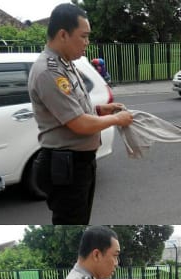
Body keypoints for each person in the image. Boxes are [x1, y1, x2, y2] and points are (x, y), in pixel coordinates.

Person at [28, 4, 133, 224]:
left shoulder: (66, 63)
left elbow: (70, 109)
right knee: (72, 224)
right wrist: (116, 119)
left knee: (80, 221)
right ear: (63, 34)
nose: (87, 42)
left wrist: (99, 110)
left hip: (78, 162)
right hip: (67, 165)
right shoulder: (50, 71)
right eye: (83, 36)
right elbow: (79, 124)